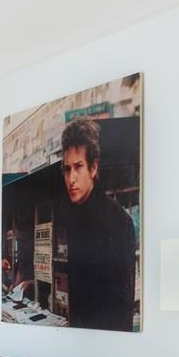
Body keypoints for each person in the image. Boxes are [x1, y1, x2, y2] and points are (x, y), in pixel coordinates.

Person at [56, 117, 136, 331]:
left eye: (78, 167)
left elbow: (123, 307)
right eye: (67, 169)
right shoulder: (75, 214)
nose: (71, 178)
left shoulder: (118, 221)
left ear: (93, 168)